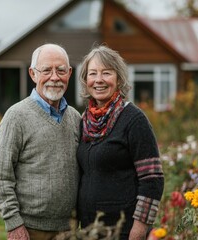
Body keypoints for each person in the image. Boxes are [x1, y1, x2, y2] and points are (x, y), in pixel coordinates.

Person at [0, 43, 81, 240]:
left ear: (69, 73)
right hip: (30, 230)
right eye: (46, 70)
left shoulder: (75, 118)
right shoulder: (16, 116)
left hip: (69, 229)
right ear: (33, 74)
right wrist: (14, 224)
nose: (54, 77)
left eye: (61, 70)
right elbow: (0, 175)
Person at [77, 45, 164, 240]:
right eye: (93, 74)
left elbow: (152, 179)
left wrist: (139, 229)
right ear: (86, 80)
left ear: (118, 79)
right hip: (89, 229)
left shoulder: (133, 120)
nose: (99, 80)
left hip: (123, 230)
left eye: (106, 73)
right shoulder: (84, 121)